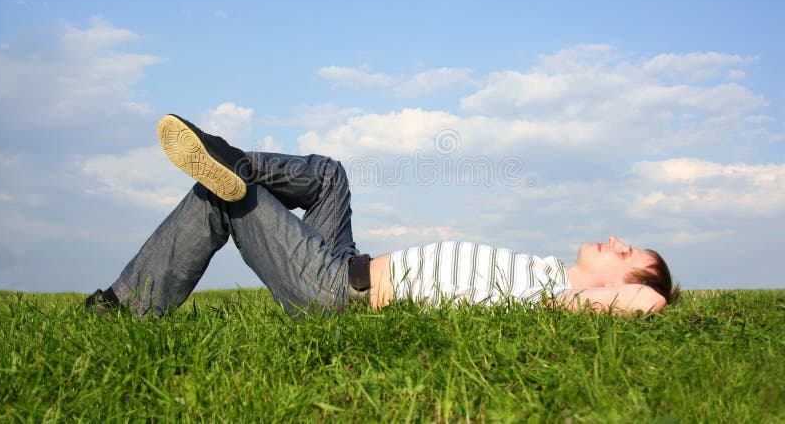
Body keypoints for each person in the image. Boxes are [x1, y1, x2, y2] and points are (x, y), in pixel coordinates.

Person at [86, 115, 677, 317]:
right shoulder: (546, 275)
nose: (614, 239)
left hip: (333, 290)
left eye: (626, 254)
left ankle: (123, 306)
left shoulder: (559, 302)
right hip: (344, 262)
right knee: (329, 175)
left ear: (615, 288)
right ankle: (233, 159)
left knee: (227, 196)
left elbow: (649, 303)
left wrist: (650, 293)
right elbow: (634, 293)